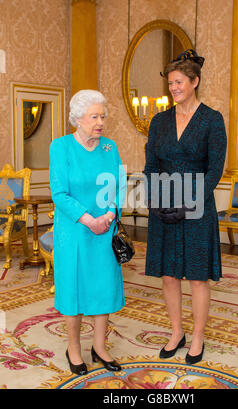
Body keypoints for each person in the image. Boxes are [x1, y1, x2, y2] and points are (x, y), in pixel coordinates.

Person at [144, 49, 227, 365]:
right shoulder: (159, 120)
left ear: (194, 81)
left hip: (197, 208)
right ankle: (176, 332)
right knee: (168, 275)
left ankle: (197, 337)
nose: (173, 88)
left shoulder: (211, 119)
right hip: (164, 205)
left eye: (179, 82)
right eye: (170, 83)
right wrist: (154, 199)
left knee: (196, 276)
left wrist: (190, 204)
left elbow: (215, 169)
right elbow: (151, 164)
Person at [49, 89, 127, 375]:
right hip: (74, 233)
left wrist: (107, 215)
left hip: (104, 230)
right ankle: (73, 347)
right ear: (78, 118)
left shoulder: (110, 147)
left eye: (102, 116)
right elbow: (59, 192)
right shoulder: (60, 147)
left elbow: (119, 185)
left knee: (103, 286)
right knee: (74, 288)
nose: (100, 122)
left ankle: (99, 346)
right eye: (94, 116)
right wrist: (89, 220)